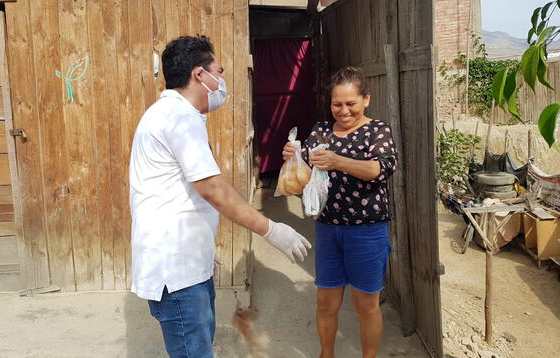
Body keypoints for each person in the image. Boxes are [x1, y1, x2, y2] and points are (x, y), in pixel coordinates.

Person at [129, 35, 311, 358]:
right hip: (178, 272)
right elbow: (212, 189)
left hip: (185, 264)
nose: (222, 80)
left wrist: (202, 246)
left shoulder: (170, 115)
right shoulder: (179, 118)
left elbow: (175, 194)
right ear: (200, 75)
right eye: (219, 70)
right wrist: (272, 230)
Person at [282, 66, 397, 358]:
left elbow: (380, 169)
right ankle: (326, 354)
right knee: (325, 302)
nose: (343, 111)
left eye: (350, 104)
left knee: (366, 305)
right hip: (328, 229)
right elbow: (303, 175)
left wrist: (338, 160)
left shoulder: (377, 130)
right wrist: (293, 158)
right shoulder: (320, 130)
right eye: (337, 104)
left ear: (366, 100)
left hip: (367, 231)